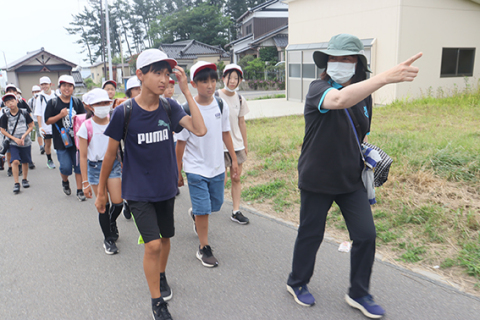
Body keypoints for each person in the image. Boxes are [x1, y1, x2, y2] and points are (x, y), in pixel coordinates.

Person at [285, 34, 422, 319]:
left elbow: (362, 133)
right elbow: (338, 100)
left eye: (347, 59)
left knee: (366, 235)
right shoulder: (318, 88)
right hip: (317, 178)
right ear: (326, 63)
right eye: (335, 58)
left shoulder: (364, 97)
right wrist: (387, 77)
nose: (340, 64)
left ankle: (358, 292)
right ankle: (296, 282)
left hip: (350, 180)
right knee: (311, 234)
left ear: (358, 64)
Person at [95, 49, 206, 320]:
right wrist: (101, 191)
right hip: (138, 190)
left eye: (166, 74)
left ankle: (161, 274)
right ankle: (157, 302)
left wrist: (187, 92)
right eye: (157, 73)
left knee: (166, 238)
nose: (163, 79)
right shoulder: (125, 112)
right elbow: (110, 155)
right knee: (153, 245)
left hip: (166, 187)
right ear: (140, 75)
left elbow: (199, 129)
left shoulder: (170, 107)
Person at [176, 61, 238, 268]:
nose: (209, 85)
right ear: (193, 84)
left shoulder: (221, 105)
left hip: (217, 167)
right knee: (204, 209)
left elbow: (225, 133)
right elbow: (181, 144)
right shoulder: (186, 109)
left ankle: (195, 214)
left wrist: (234, 160)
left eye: (213, 80)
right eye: (203, 81)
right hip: (195, 168)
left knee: (216, 205)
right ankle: (204, 248)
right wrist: (178, 171)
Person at [78, 88, 123, 254]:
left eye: (106, 102)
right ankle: (108, 239)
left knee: (118, 203)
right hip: (95, 168)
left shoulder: (115, 121)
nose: (103, 106)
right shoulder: (86, 126)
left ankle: (111, 223)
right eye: (99, 104)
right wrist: (85, 182)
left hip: (114, 166)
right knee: (103, 205)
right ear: (90, 106)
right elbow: (82, 156)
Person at [44, 75, 86, 201]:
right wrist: (60, 115)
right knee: (66, 168)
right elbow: (47, 121)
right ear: (60, 87)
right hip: (60, 141)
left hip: (76, 141)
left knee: (78, 167)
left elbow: (84, 118)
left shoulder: (77, 102)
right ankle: (65, 181)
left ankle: (80, 190)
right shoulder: (53, 103)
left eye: (70, 86)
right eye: (64, 86)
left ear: (73, 88)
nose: (67, 88)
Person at [217, 64, 250, 224]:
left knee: (236, 178)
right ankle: (203, 210)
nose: (232, 81)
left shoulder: (240, 99)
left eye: (236, 78)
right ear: (223, 78)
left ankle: (236, 211)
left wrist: (245, 143)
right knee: (220, 180)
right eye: (230, 77)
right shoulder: (215, 96)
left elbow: (241, 122)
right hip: (220, 146)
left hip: (237, 145)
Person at [0, 93, 34, 193]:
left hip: (25, 142)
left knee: (25, 161)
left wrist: (24, 136)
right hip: (13, 143)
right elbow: (2, 129)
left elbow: (31, 125)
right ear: (5, 104)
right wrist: (14, 139)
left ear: (17, 101)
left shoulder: (24, 113)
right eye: (7, 102)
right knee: (15, 161)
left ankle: (24, 179)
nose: (10, 103)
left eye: (12, 101)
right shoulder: (5, 115)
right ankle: (16, 183)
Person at [35, 76, 57, 169]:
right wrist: (40, 127)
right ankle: (49, 160)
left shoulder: (56, 95)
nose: (44, 86)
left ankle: (66, 160)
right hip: (46, 125)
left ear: (50, 84)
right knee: (48, 143)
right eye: (42, 84)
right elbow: (38, 113)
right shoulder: (39, 97)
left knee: (63, 142)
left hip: (56, 123)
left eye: (46, 84)